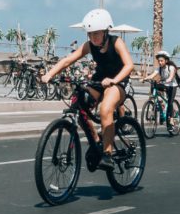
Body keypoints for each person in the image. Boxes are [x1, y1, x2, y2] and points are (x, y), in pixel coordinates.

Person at [42, 9, 134, 170]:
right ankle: (96, 141)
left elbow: (129, 65)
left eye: (96, 34)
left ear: (106, 31)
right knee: (78, 103)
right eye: (90, 34)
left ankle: (107, 154)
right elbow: (67, 60)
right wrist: (49, 74)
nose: (92, 38)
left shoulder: (116, 42)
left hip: (118, 81)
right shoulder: (89, 46)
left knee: (106, 109)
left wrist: (114, 80)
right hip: (99, 79)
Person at [141, 50, 178, 125]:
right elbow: (152, 75)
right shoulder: (159, 69)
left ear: (166, 60)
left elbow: (171, 77)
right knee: (154, 84)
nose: (160, 62)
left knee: (170, 102)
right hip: (165, 84)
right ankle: (158, 102)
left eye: (161, 61)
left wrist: (168, 80)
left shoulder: (171, 67)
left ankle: (171, 118)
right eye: (159, 61)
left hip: (172, 86)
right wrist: (144, 78)